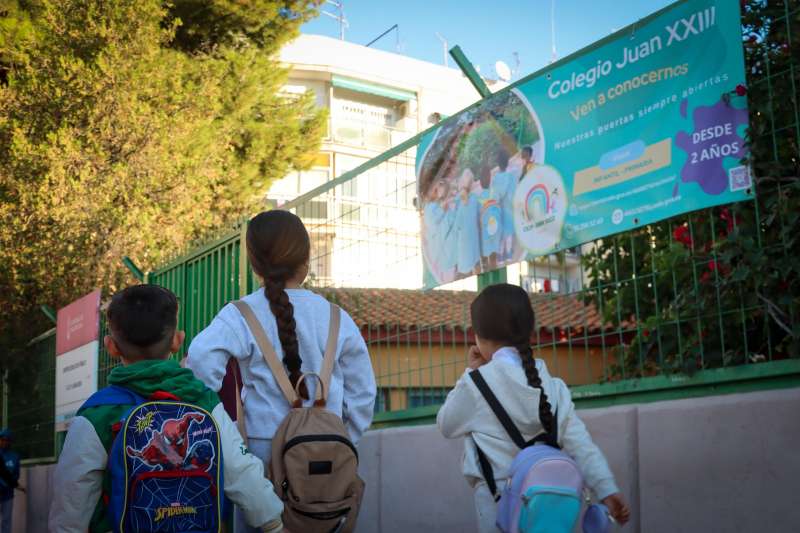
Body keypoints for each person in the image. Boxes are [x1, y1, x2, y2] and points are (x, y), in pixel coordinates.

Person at [186, 210, 376, 533]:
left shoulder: (240, 314)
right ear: (306, 260)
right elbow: (363, 392)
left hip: (264, 455)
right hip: (330, 452)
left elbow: (201, 362)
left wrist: (227, 426)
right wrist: (343, 436)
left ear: (254, 264)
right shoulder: (335, 316)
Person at [49, 285, 284, 533]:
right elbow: (242, 473)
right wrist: (274, 524)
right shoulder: (203, 402)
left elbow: (71, 499)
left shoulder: (97, 413)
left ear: (111, 346)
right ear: (177, 341)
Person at [437, 284, 630, 532]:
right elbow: (581, 445)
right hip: (551, 505)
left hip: (498, 507)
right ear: (529, 330)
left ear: (478, 335)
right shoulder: (555, 386)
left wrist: (470, 372)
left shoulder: (476, 385)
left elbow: (446, 424)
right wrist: (607, 489)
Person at [489, 149, 518, 262]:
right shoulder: (511, 176)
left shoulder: (496, 178)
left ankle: (500, 256)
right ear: (507, 162)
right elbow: (514, 189)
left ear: (498, 164)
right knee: (509, 233)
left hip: (499, 210)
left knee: (501, 235)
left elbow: (494, 195)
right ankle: (509, 254)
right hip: (509, 208)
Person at [454, 168, 482, 277]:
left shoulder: (474, 199)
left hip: (470, 243)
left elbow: (479, 217)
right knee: (469, 268)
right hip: (466, 244)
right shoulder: (459, 201)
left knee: (473, 266)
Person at [0, 430, 20, 533]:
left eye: (7, 440)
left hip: (8, 495)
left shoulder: (15, 457)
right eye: (2, 439)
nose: (4, 442)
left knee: (6, 521)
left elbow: (16, 474)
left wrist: (9, 484)